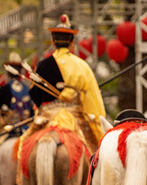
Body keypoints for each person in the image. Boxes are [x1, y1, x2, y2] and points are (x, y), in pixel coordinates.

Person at [27, 14, 106, 152]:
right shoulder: (82, 66)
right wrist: (97, 121)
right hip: (75, 118)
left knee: (23, 146)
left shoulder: (42, 65)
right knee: (95, 151)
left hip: (47, 117)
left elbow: (34, 93)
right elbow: (93, 101)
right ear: (72, 42)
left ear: (53, 42)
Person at [0, 52, 33, 131]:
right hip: (28, 128)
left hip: (11, 130)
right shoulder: (28, 88)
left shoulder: (3, 89)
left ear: (7, 72)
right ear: (21, 71)